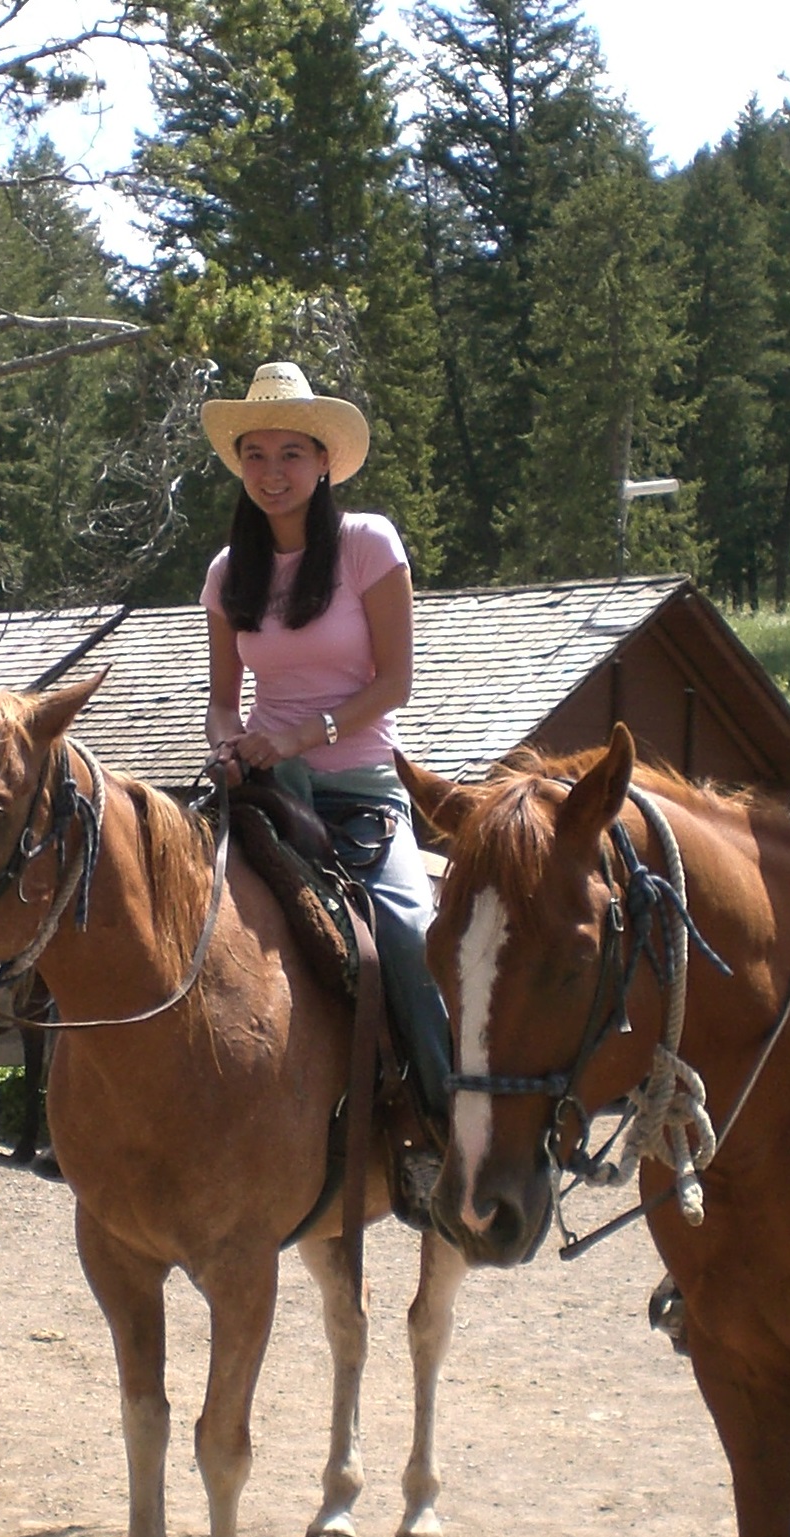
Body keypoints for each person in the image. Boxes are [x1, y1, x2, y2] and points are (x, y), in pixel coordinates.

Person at [200, 361, 451, 1150]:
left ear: (324, 462)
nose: (272, 474)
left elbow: (396, 682)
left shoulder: (366, 545)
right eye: (257, 456)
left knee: (408, 935)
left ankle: (442, 1125)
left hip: (360, 792)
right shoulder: (224, 572)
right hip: (267, 793)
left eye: (290, 455)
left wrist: (303, 737)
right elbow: (219, 697)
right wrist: (226, 744)